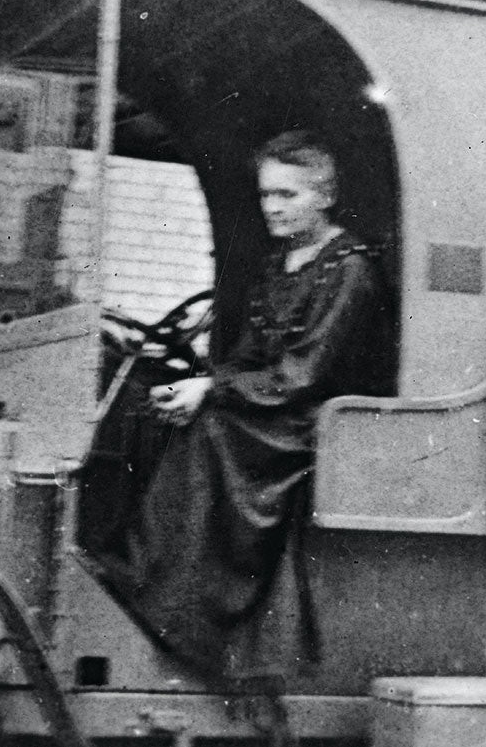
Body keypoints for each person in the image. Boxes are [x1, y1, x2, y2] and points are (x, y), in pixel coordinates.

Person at [92, 130, 392, 686]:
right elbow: (252, 353)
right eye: (266, 196)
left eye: (287, 195)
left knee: (210, 431)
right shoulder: (281, 262)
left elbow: (305, 372)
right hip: (273, 403)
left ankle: (189, 612)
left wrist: (213, 393)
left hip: (311, 419)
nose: (272, 208)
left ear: (324, 196)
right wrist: (202, 382)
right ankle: (147, 578)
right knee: (148, 413)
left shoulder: (348, 268)